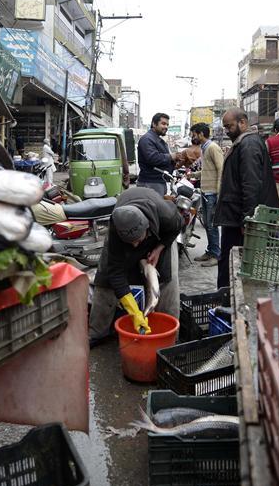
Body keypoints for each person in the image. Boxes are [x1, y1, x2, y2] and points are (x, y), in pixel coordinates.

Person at [89, 187, 184, 346]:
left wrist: (160, 248)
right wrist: (134, 312)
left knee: (168, 281)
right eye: (131, 243)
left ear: (147, 227)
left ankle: (171, 336)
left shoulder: (167, 215)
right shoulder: (116, 230)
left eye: (138, 241)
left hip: (160, 238)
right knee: (104, 280)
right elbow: (115, 272)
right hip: (124, 239)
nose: (135, 246)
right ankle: (96, 332)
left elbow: (176, 227)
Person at [215, 108, 279, 289]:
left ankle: (229, 301)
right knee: (232, 262)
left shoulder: (249, 144)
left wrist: (247, 220)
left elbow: (251, 185)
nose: (227, 131)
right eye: (225, 127)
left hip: (240, 219)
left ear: (243, 122)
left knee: (233, 263)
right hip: (236, 217)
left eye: (229, 126)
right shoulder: (244, 143)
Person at [188, 122, 224, 266]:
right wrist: (193, 175)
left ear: (201, 134)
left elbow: (221, 170)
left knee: (211, 225)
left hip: (212, 193)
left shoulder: (213, 148)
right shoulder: (205, 148)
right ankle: (210, 251)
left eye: (194, 134)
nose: (193, 137)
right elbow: (208, 171)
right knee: (208, 224)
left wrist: (219, 192)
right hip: (206, 192)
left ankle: (216, 255)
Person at [137, 113, 177, 195]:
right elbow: (153, 158)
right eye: (163, 124)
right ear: (154, 124)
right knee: (152, 207)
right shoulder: (147, 139)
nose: (166, 127)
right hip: (150, 183)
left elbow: (163, 160)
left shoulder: (157, 139)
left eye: (167, 124)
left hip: (158, 182)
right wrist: (171, 157)